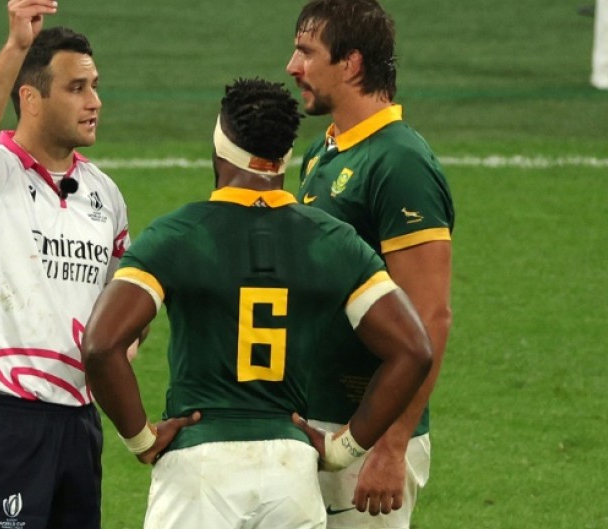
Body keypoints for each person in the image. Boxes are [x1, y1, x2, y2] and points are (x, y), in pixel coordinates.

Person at [81, 78, 433, 529]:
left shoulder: (178, 235)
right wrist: (344, 448)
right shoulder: (332, 241)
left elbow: (100, 345)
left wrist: (141, 439)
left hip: (199, 475)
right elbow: (413, 349)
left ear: (219, 142)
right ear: (286, 154)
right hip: (291, 478)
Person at [0, 2, 133, 528]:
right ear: (30, 99)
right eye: (76, 88)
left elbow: (122, 303)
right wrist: (17, 45)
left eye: (95, 85)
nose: (95, 102)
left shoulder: (105, 196)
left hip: (78, 427)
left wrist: (125, 341)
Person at [285, 0, 455, 527]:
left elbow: (429, 317)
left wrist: (392, 443)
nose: (292, 66)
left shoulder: (400, 163)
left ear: (352, 64)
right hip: (313, 418)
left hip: (367, 429)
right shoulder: (324, 153)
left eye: (307, 52)